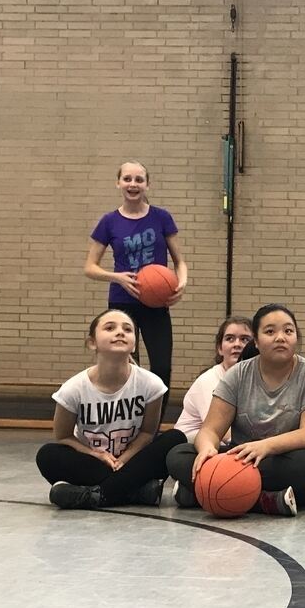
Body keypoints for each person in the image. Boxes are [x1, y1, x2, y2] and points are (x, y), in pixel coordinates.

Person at [166, 304, 305, 517]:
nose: (280, 337)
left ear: (296, 338)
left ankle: (207, 493)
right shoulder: (237, 374)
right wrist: (207, 449)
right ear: (256, 340)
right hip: (242, 458)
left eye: (288, 331)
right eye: (270, 331)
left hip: (287, 460)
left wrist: (265, 447)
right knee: (178, 455)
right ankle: (265, 501)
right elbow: (210, 429)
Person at [36, 309, 186, 509]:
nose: (120, 332)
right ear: (92, 342)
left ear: (134, 344)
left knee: (175, 438)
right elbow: (63, 436)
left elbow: (148, 432)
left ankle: (98, 495)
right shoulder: (73, 389)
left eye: (127, 329)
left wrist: (124, 458)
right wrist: (94, 454)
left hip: (133, 460)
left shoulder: (151, 384)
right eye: (110, 327)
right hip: (94, 462)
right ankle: (136, 491)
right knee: (47, 455)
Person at [84, 161, 188, 419]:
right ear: (118, 183)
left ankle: (152, 424)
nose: (133, 184)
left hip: (155, 302)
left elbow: (180, 261)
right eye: (127, 179)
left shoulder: (161, 217)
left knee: (161, 366)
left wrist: (181, 282)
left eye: (139, 179)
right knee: (125, 364)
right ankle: (127, 420)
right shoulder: (109, 222)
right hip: (122, 303)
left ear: (147, 184)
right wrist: (117, 277)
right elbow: (90, 267)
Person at [172, 316, 254, 442]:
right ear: (220, 348)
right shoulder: (208, 380)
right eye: (230, 339)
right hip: (189, 444)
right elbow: (220, 431)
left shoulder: (254, 379)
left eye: (244, 339)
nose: (237, 344)